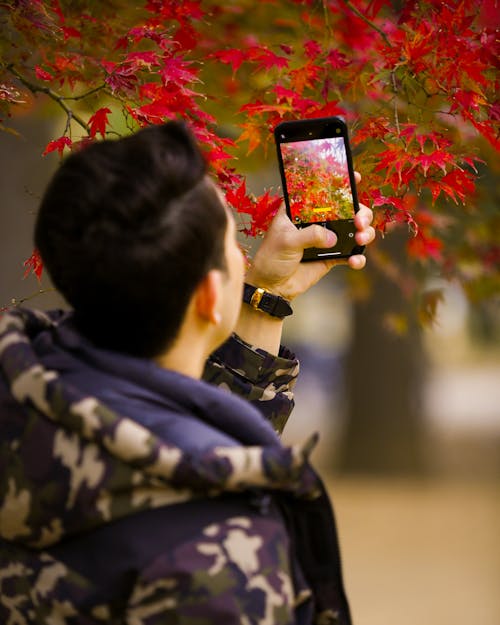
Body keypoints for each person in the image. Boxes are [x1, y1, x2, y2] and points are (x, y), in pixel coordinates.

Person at [0, 121, 374, 625]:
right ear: (208, 295)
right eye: (230, 246)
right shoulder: (220, 547)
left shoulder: (27, 400)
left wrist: (267, 295)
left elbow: (176, 434)